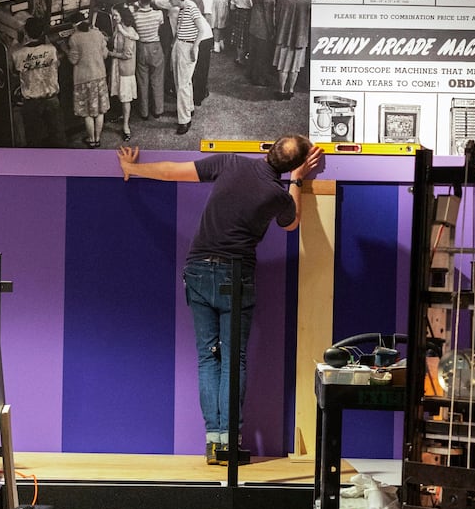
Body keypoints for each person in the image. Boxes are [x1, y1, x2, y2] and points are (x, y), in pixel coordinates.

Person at [117, 134, 323, 464]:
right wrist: (297, 182)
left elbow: (171, 171)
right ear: (294, 165)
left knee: (206, 358)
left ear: (267, 149)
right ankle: (230, 441)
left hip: (197, 269)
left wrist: (132, 167)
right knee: (233, 360)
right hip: (235, 276)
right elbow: (292, 222)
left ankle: (213, 441)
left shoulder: (229, 162)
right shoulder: (277, 195)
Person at [156, 0, 206, 137]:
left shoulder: (191, 7)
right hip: (180, 45)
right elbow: (180, 29)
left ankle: (184, 120)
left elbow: (202, 29)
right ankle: (188, 108)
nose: (169, 0)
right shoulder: (182, 8)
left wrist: (194, 48)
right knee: (183, 82)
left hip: (188, 46)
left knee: (182, 84)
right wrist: (173, 45)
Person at [9, 15, 61, 147]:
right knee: (57, 135)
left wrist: (16, 40)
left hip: (31, 102)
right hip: (52, 98)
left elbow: (13, 71)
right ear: (42, 32)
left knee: (34, 138)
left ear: (26, 32)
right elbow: (57, 63)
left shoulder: (17, 53)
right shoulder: (51, 50)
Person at [65, 11, 110, 148]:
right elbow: (105, 54)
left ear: (74, 25)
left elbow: (74, 60)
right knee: (100, 110)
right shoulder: (98, 34)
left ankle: (91, 139)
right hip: (100, 76)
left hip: (83, 78)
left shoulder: (74, 38)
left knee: (87, 112)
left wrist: (64, 49)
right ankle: (98, 137)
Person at [272, 0, 314, 100]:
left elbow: (277, 17)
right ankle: (290, 90)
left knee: (283, 66)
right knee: (295, 67)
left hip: (283, 37)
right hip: (300, 39)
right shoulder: (308, 2)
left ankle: (281, 90)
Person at [130, 0, 165, 121]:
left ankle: (144, 111)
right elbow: (161, 27)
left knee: (142, 80)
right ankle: (158, 110)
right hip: (155, 46)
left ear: (139, 1)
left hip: (141, 47)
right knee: (157, 79)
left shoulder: (136, 16)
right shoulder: (158, 14)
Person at [108, 5, 138, 143]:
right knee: (120, 95)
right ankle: (121, 116)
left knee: (126, 98)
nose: (114, 18)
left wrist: (110, 54)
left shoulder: (129, 31)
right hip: (117, 66)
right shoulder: (118, 28)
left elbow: (127, 54)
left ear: (123, 16)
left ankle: (126, 126)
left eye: (116, 15)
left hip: (125, 69)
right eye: (113, 15)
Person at [248, 0, 278, 87]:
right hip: (263, 27)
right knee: (262, 54)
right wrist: (271, 30)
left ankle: (250, 73)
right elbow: (269, 13)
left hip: (254, 23)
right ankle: (259, 78)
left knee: (253, 51)